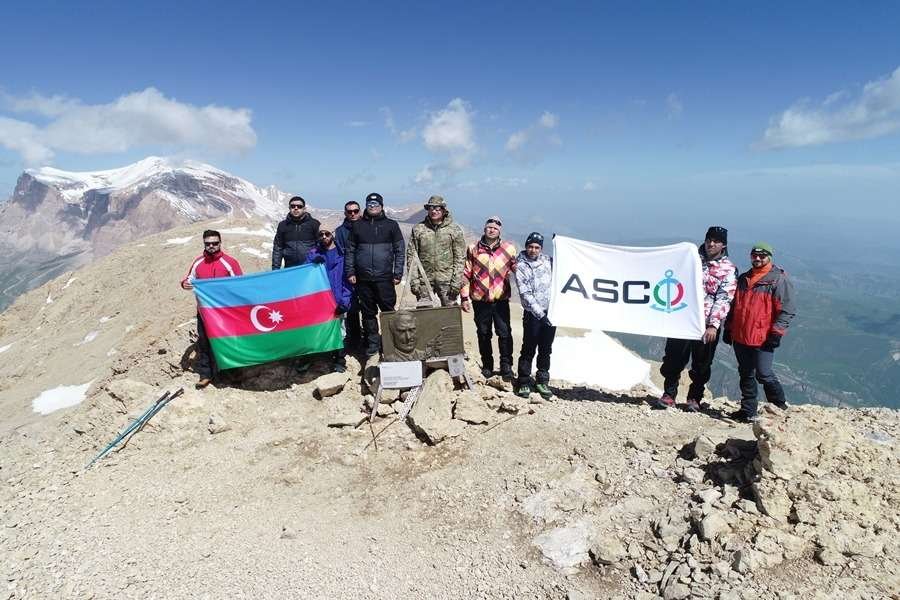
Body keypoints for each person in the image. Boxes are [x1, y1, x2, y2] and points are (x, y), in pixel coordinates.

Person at [655, 226, 737, 412]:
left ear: (723, 245)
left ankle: (694, 397)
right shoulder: (690, 260)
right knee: (674, 357)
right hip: (682, 318)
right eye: (709, 239)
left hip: (706, 324)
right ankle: (669, 394)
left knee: (701, 364)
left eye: (716, 241)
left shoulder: (729, 269)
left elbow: (724, 297)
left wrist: (713, 325)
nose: (711, 243)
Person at [723, 242, 796, 423]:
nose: (757, 259)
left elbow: (787, 309)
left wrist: (777, 332)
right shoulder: (744, 278)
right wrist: (728, 327)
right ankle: (748, 411)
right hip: (740, 336)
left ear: (769, 257)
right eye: (754, 255)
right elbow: (734, 307)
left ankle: (779, 406)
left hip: (762, 338)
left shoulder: (778, 280)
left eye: (762, 256)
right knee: (745, 373)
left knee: (763, 373)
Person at [180, 230, 244, 388]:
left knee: (228, 341)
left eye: (215, 243)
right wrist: (184, 284)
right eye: (208, 244)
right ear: (204, 244)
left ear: (220, 243)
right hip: (205, 312)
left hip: (225, 312)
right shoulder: (198, 262)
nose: (211, 246)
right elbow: (188, 279)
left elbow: (241, 284)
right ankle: (205, 375)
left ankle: (233, 373)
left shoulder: (230, 262)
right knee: (204, 343)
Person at [344, 192, 405, 357]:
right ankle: (372, 344)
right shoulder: (357, 226)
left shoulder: (391, 225)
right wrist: (350, 271)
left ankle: (389, 342)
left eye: (376, 205)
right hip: (363, 278)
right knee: (368, 313)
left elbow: (400, 250)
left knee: (388, 311)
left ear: (382, 206)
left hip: (385, 278)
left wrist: (397, 272)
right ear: (366, 206)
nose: (373, 207)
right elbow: (350, 251)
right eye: (370, 205)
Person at [460, 216, 517, 379]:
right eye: (489, 227)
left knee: (504, 332)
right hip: (480, 300)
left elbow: (517, 269)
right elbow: (466, 273)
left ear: (500, 231)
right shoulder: (473, 249)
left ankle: (506, 365)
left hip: (500, 300)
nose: (492, 230)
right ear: (484, 229)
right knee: (484, 333)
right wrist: (464, 297)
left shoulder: (509, 249)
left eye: (495, 228)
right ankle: (487, 365)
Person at [514, 232, 556, 399]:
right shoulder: (521, 266)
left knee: (546, 348)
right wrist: (540, 315)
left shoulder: (548, 261)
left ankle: (542, 380)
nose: (533, 250)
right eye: (530, 246)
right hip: (533, 315)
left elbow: (564, 271)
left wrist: (560, 244)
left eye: (537, 247)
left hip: (551, 312)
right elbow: (525, 294)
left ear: (541, 248)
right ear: (526, 246)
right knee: (529, 348)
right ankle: (523, 382)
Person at [406, 195, 466, 307]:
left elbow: (460, 257)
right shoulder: (419, 229)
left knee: (450, 316)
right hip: (424, 281)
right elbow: (412, 256)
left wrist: (456, 281)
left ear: (443, 210)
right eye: (431, 208)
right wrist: (414, 280)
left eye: (437, 208)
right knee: (425, 316)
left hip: (448, 281)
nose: (434, 211)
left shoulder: (454, 230)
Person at [307, 228, 352, 373]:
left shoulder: (343, 254)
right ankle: (311, 358)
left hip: (337, 298)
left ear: (333, 234)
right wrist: (313, 263)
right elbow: (304, 274)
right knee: (316, 329)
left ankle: (339, 359)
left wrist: (345, 302)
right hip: (319, 300)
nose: (324, 237)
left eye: (327, 234)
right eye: (320, 234)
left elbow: (347, 280)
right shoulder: (314, 254)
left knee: (340, 330)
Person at [334, 200, 363, 351]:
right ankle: (354, 338)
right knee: (351, 307)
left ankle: (369, 339)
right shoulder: (340, 232)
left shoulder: (367, 226)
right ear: (345, 213)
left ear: (360, 211)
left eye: (355, 211)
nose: (352, 214)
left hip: (366, 273)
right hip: (348, 274)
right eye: (349, 211)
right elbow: (340, 253)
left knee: (367, 307)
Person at [272, 195, 320, 269]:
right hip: (290, 268)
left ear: (304, 209)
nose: (296, 208)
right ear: (289, 208)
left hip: (310, 267)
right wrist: (275, 269)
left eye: (299, 206)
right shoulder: (283, 225)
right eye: (293, 206)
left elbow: (320, 244)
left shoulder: (314, 224)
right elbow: (278, 248)